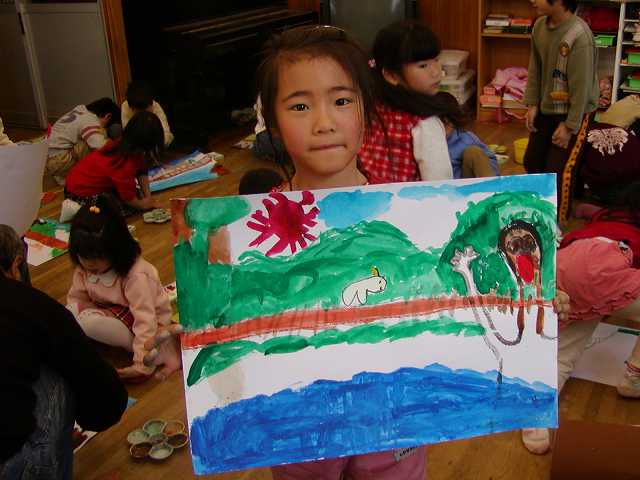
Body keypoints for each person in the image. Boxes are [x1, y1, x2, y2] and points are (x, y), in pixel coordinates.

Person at [0, 224, 128, 479]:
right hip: (11, 462)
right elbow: (106, 401)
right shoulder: (30, 305)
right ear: (16, 265)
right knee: (55, 365)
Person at [522, 184, 640, 455]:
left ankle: (535, 422)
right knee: (599, 298)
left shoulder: (606, 216)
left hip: (564, 265)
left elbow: (584, 210)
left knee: (563, 357)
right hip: (607, 270)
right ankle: (633, 378)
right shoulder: (633, 232)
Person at [66, 195, 179, 381]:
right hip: (113, 314)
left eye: (97, 256)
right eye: (83, 256)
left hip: (149, 326)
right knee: (69, 313)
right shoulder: (84, 269)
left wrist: (142, 364)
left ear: (116, 248)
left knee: (88, 323)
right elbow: (76, 299)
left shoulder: (136, 275)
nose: (89, 263)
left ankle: (152, 351)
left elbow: (145, 321)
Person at [359, 20, 465, 183]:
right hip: (410, 198)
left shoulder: (370, 107)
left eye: (436, 60)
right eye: (423, 66)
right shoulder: (425, 124)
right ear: (392, 75)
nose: (436, 71)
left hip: (367, 193)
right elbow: (440, 183)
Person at [523, 0, 599, 202]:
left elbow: (582, 88)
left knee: (558, 172)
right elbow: (535, 68)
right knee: (532, 161)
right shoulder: (539, 26)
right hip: (546, 108)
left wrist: (569, 126)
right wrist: (532, 104)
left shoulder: (580, 36)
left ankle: (559, 217)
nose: (532, 1)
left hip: (576, 112)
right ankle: (540, 208)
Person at [64, 111, 163, 215]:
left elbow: (142, 170)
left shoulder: (128, 146)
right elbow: (128, 198)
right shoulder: (123, 163)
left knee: (135, 195)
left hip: (86, 185)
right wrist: (143, 205)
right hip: (78, 194)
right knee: (118, 210)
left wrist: (148, 197)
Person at [47, 98, 120, 185]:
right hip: (58, 162)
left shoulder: (80, 109)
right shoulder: (91, 120)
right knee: (96, 141)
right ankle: (74, 175)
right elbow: (100, 145)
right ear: (108, 116)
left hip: (49, 156)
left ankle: (63, 175)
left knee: (87, 138)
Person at [439, 92, 499, 178]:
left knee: (474, 152)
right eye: (437, 126)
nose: (441, 131)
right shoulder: (425, 140)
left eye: (446, 125)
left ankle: (490, 186)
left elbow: (490, 160)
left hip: (464, 183)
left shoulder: (466, 139)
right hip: (437, 183)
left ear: (454, 122)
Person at [121, 81, 174, 147]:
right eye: (139, 110)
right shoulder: (126, 106)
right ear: (132, 108)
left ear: (151, 105)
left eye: (145, 109)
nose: (143, 113)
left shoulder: (155, 107)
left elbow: (166, 135)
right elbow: (128, 136)